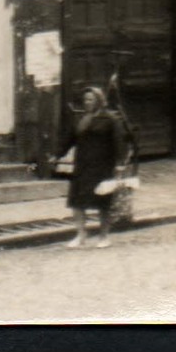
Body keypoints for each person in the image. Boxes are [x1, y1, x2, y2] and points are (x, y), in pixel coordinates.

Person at [65, 84, 129, 249]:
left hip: (102, 166)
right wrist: (56, 154)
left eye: (91, 99)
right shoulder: (81, 119)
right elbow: (70, 139)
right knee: (77, 202)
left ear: (99, 101)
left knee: (103, 203)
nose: (87, 102)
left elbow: (119, 143)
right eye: (85, 99)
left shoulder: (110, 119)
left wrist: (120, 164)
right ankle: (81, 235)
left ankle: (103, 236)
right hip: (82, 166)